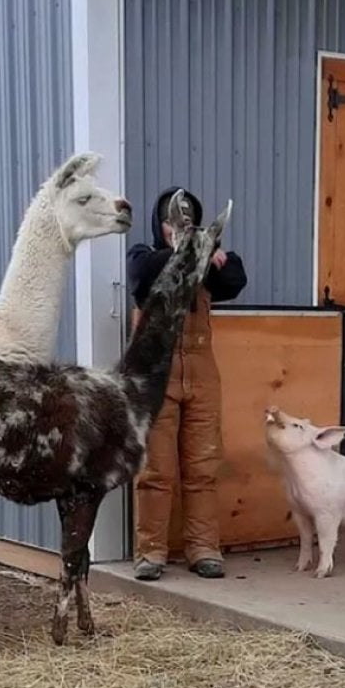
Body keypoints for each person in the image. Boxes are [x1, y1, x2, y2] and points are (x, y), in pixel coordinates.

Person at [127, 186, 247, 581]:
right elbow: (141, 277)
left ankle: (204, 549)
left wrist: (208, 253)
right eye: (171, 221)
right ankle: (150, 553)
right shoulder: (143, 257)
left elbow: (235, 277)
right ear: (160, 225)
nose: (177, 227)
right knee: (154, 471)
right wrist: (187, 251)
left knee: (202, 468)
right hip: (155, 377)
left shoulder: (209, 261)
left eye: (187, 221)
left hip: (201, 374)